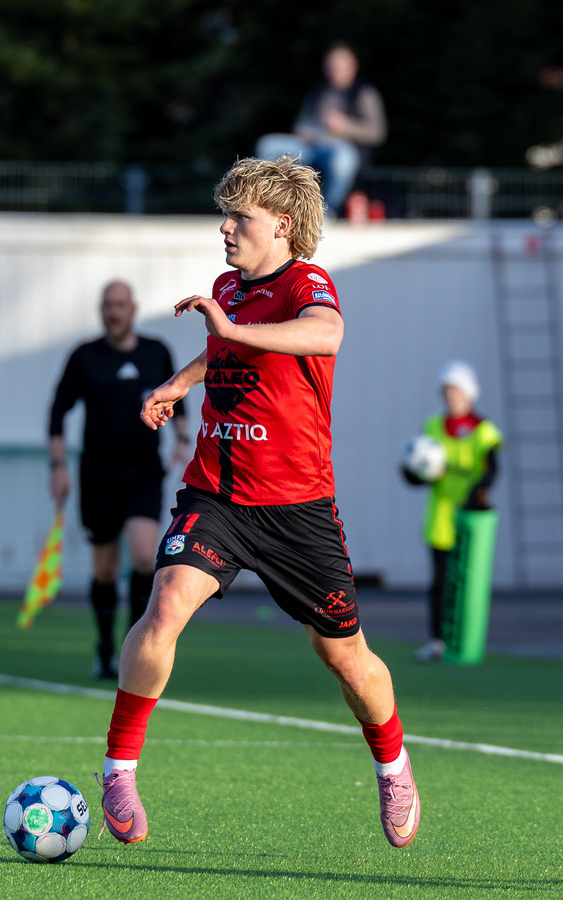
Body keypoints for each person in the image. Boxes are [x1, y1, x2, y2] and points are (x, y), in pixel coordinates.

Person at [97, 155, 420, 851]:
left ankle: (393, 764)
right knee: (165, 608)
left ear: (282, 224)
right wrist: (180, 383)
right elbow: (224, 348)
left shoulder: (308, 282)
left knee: (346, 658)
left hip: (298, 509)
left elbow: (324, 334)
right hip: (216, 495)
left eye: (239, 217)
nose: (226, 228)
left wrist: (230, 329)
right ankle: (119, 771)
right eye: (225, 216)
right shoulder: (229, 288)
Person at [48, 280, 190, 679]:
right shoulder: (84, 356)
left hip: (144, 471)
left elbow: (178, 397)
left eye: (120, 305)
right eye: (108, 305)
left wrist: (182, 439)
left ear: (133, 309)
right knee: (106, 569)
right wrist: (57, 467)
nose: (114, 312)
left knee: (145, 556)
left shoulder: (156, 351)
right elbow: (57, 411)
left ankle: (137, 650)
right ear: (102, 310)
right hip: (98, 474)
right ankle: (106, 650)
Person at [403, 360, 502, 662]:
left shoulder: (484, 431)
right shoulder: (433, 427)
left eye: (456, 390)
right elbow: (422, 470)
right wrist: (413, 474)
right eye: (446, 390)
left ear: (469, 393)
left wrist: (477, 493)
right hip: (441, 517)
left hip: (470, 519)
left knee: (467, 582)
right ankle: (437, 642)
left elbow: (491, 470)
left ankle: (465, 640)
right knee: (441, 583)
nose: (451, 396)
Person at [256, 42, 386, 216]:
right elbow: (301, 124)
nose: (335, 71)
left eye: (340, 67)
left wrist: (345, 126)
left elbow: (377, 132)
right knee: (268, 145)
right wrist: (308, 133)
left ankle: (325, 211)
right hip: (311, 145)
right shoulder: (319, 91)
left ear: (353, 68)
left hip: (343, 147)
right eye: (332, 66)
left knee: (343, 160)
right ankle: (273, 205)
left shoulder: (363, 93)